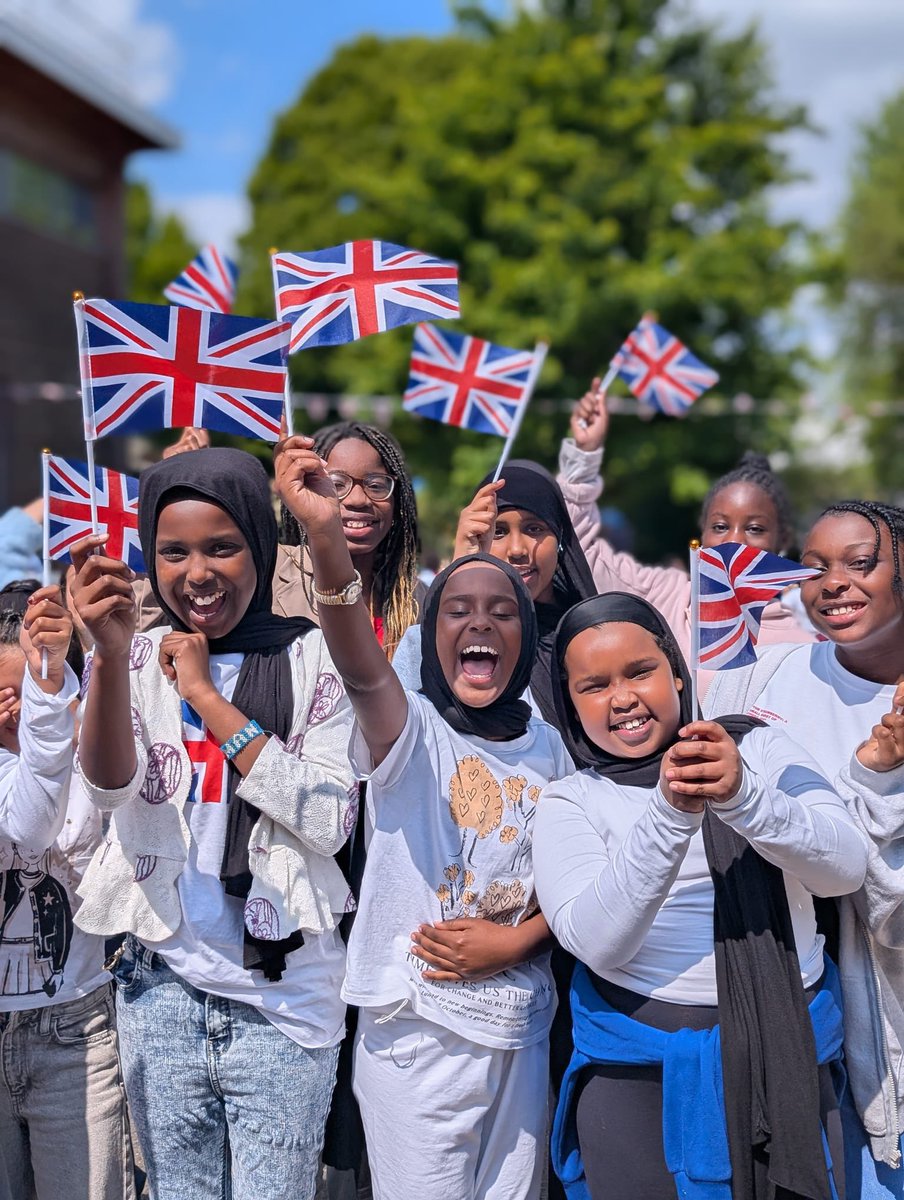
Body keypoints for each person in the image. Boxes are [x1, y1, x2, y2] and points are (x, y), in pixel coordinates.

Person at [275, 434, 573, 1200]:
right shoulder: (408, 734)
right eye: (459, 611)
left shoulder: (551, 747)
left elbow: (577, 892)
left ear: (527, 634)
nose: (480, 625)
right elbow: (355, 656)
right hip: (415, 1033)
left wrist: (515, 942)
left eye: (503, 612)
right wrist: (322, 536)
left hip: (521, 1029)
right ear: (429, 637)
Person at [69, 447, 357, 1200]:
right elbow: (107, 789)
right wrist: (104, 654)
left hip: (283, 1002)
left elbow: (328, 820)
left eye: (223, 547)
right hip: (160, 991)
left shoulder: (313, 657)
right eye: (173, 552)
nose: (198, 573)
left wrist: (206, 697)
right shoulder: (131, 657)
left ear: (260, 550)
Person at [533, 592, 868, 1200]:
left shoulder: (759, 750)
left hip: (788, 1064)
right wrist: (670, 814)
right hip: (639, 1086)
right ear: (569, 704)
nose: (624, 697)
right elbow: (596, 942)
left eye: (640, 672)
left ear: (676, 672)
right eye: (594, 686)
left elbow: (844, 867)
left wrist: (745, 799)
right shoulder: (569, 801)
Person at [704, 500, 904, 1199]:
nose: (835, 583)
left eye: (860, 562)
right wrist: (869, 776)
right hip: (816, 1003)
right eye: (816, 566)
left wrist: (874, 780)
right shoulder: (782, 676)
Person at [0, 582, 134, 1199]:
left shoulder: (99, 750)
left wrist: (47, 714)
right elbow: (27, 822)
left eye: (23, 687)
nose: (13, 706)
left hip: (75, 1033)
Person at [557, 381, 815, 669]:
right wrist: (583, 454)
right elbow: (578, 549)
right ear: (702, 534)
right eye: (720, 526)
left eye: (754, 529)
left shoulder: (810, 635)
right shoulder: (667, 595)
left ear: (783, 540)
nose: (734, 541)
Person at [393, 460, 596, 725]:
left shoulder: (590, 635)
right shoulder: (444, 636)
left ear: (560, 539)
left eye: (534, 529)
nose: (517, 550)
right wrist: (461, 570)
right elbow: (396, 714)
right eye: (498, 532)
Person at [280, 420, 423, 656]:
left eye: (376, 485)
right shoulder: (270, 586)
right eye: (336, 484)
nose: (358, 499)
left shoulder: (421, 601)